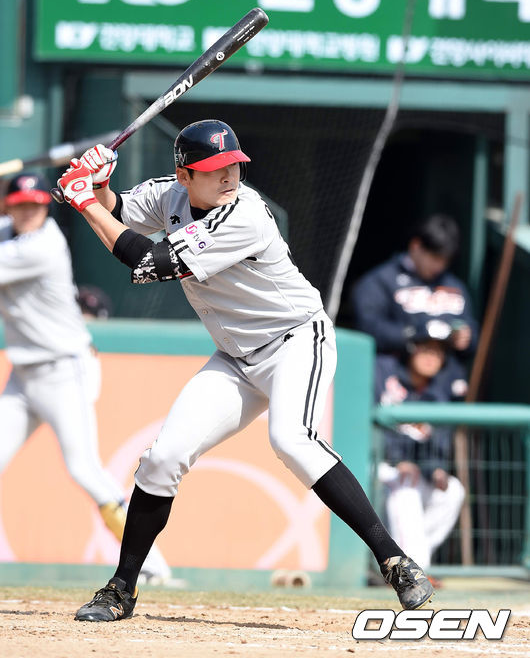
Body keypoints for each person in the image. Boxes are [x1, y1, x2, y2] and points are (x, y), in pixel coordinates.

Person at [57, 120, 435, 622]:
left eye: (234, 165)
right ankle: (120, 589)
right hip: (236, 357)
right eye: (214, 169)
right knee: (162, 458)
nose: (229, 176)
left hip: (295, 340)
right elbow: (120, 211)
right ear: (184, 175)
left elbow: (148, 262)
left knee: (291, 440)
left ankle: (396, 561)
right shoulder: (169, 194)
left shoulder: (245, 214)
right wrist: (100, 187)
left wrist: (83, 201)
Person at [0, 173, 171, 584]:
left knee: (84, 468)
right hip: (24, 375)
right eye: (21, 205)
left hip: (63, 371)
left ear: (45, 206)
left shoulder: (43, 246)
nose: (29, 212)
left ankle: (150, 564)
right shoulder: (9, 232)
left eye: (36, 204)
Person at [375, 324, 466, 576]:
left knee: (453, 490)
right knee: (406, 483)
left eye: (438, 352)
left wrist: (435, 469)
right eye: (426, 349)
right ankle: (414, 572)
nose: (431, 357)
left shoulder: (439, 392)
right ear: (411, 350)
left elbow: (438, 443)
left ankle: (402, 563)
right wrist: (398, 460)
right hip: (381, 468)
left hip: (415, 473)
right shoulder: (383, 372)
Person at [351, 214, 479, 363]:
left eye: (445, 260)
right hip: (395, 371)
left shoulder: (454, 286)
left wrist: (465, 339)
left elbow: (472, 334)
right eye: (435, 257)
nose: (439, 266)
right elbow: (368, 329)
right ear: (416, 246)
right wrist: (412, 333)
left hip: (445, 373)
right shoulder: (380, 281)